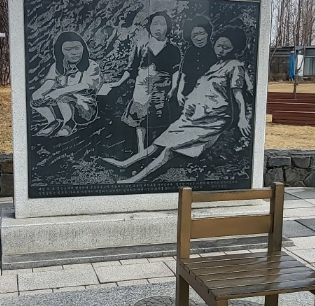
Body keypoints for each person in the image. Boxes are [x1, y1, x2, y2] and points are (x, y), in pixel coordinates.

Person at [100, 27, 251, 184]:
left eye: (227, 47)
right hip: (192, 118)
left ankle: (135, 179)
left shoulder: (235, 66)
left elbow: (237, 93)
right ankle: (125, 164)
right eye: (219, 45)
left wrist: (242, 118)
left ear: (235, 49)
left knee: (169, 150)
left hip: (211, 121)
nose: (221, 49)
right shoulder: (215, 66)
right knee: (158, 143)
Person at [112, 11, 181, 151]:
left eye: (162, 24)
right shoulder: (141, 46)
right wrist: (119, 82)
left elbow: (176, 71)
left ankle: (157, 151)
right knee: (140, 121)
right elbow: (131, 68)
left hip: (161, 89)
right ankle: (141, 151)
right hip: (142, 88)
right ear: (149, 27)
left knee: (159, 119)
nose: (158, 27)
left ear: (168, 27)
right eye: (155, 24)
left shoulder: (173, 49)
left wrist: (174, 88)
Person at [31, 31, 102, 137]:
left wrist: (59, 91)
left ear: (83, 48)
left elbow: (85, 85)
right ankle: (52, 121)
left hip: (84, 108)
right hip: (60, 107)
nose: (74, 52)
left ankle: (69, 123)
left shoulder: (92, 65)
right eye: (68, 49)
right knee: (35, 97)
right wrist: (40, 93)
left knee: (63, 96)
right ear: (61, 51)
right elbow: (49, 82)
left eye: (77, 48)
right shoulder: (56, 66)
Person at [172, 15, 216, 105]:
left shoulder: (214, 50)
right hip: (189, 92)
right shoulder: (189, 51)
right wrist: (179, 93)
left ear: (208, 33)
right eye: (195, 35)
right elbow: (183, 74)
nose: (199, 38)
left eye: (202, 33)